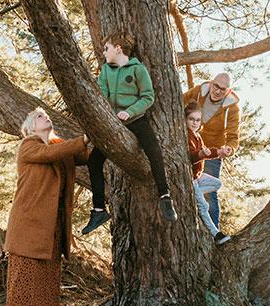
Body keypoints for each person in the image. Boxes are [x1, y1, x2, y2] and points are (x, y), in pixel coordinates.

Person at [3, 107, 90, 306]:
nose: (47, 118)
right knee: (22, 280)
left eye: (47, 116)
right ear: (31, 127)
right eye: (41, 117)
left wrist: (97, 137)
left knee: (43, 282)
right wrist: (82, 140)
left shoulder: (59, 145)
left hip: (51, 226)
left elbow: (79, 155)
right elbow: (52, 153)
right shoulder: (29, 145)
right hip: (28, 225)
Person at [82, 30, 177, 235]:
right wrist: (106, 118)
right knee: (94, 160)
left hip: (136, 120)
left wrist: (129, 111)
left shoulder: (137, 69)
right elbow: (101, 97)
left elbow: (148, 97)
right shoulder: (106, 71)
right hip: (114, 124)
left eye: (106, 48)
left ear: (118, 49)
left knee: (154, 152)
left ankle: (165, 196)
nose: (103, 52)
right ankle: (98, 210)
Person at [182, 73, 240, 229]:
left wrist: (229, 148)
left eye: (223, 89)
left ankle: (213, 232)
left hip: (212, 152)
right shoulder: (200, 91)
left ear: (228, 91)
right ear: (212, 83)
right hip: (189, 144)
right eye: (216, 86)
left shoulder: (232, 107)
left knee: (210, 195)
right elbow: (179, 100)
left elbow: (233, 136)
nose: (218, 91)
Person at [185, 101, 231, 245]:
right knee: (204, 206)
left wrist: (219, 152)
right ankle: (216, 234)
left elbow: (207, 151)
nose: (194, 123)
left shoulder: (197, 136)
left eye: (198, 120)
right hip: (189, 177)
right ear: (185, 119)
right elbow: (190, 156)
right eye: (191, 119)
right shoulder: (186, 135)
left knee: (217, 183)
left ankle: (193, 194)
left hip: (198, 177)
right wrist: (200, 154)